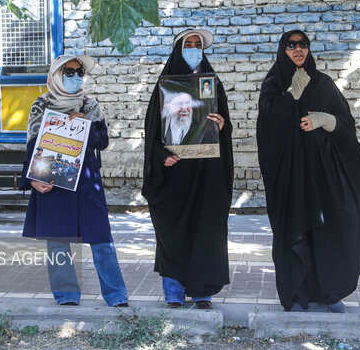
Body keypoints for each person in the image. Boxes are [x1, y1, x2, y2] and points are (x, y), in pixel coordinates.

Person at [256, 30, 360, 313]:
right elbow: (267, 126)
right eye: (291, 45)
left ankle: (328, 292)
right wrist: (291, 96)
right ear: (282, 49)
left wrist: (325, 120)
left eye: (303, 45)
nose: (298, 50)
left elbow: (346, 124)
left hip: (324, 174)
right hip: (290, 176)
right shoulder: (274, 83)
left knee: (329, 229)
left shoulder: (323, 83)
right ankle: (297, 295)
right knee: (294, 232)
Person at [19, 54, 129, 307]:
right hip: (52, 180)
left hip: (86, 181)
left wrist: (85, 126)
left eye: (79, 73)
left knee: (101, 238)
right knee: (57, 239)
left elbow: (102, 141)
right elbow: (32, 144)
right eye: (68, 72)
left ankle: (116, 295)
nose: (75, 77)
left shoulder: (90, 105)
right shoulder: (41, 105)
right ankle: (66, 294)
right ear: (57, 74)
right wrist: (32, 179)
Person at [142, 28, 234, 309]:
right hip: (175, 174)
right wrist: (161, 156)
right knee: (172, 230)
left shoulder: (213, 84)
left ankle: (201, 290)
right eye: (188, 44)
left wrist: (221, 126)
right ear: (177, 49)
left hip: (206, 175)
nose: (194, 49)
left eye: (198, 44)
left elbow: (226, 130)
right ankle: (173, 290)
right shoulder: (164, 86)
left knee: (205, 230)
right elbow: (153, 133)